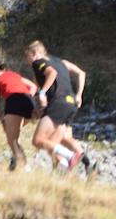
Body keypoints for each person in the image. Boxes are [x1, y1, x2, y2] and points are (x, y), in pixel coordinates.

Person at [26, 41, 87, 175]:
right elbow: (81, 73)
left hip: (58, 104)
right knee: (53, 144)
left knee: (37, 140)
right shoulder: (62, 62)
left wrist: (42, 93)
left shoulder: (38, 62)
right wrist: (79, 94)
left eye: (28, 56)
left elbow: (51, 73)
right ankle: (65, 173)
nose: (28, 61)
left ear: (34, 53)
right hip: (70, 104)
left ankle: (71, 157)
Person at [0, 59, 39, 171]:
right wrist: (27, 98)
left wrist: (0, 117)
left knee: (11, 139)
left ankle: (26, 168)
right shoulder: (13, 74)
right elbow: (33, 86)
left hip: (15, 101)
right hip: (29, 101)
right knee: (14, 135)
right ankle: (14, 162)